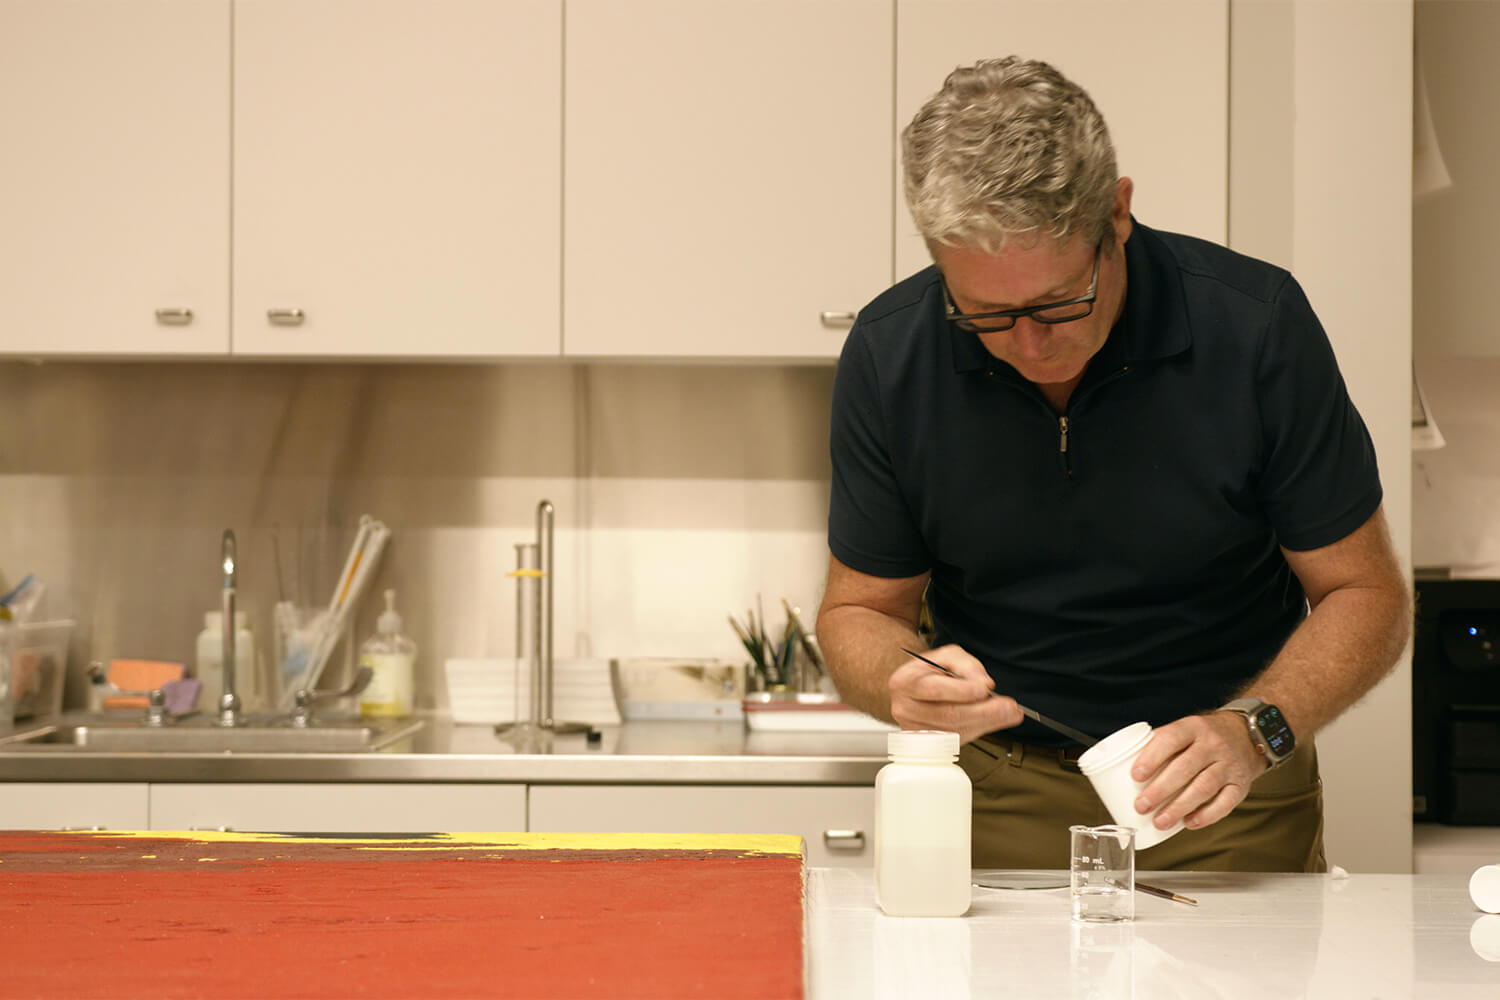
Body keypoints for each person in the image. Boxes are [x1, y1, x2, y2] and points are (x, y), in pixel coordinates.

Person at [816, 56, 1410, 872]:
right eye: (986, 315)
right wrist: (898, 678)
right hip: (999, 793)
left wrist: (1257, 728)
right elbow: (857, 613)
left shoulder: (1255, 329)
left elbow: (1365, 593)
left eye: (1061, 302)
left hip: (1224, 792)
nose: (1031, 347)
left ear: (1118, 214)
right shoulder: (892, 354)